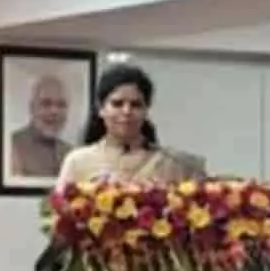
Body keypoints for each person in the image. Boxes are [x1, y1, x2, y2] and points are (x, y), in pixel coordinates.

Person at [55, 63, 205, 191]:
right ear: (101, 109)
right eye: (117, 104)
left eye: (136, 105)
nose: (126, 111)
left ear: (146, 110)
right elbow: (60, 212)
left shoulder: (176, 164)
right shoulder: (78, 162)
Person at [9, 74, 72, 179]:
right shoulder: (11, 147)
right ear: (32, 108)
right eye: (46, 104)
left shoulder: (71, 153)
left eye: (61, 105)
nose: (54, 111)